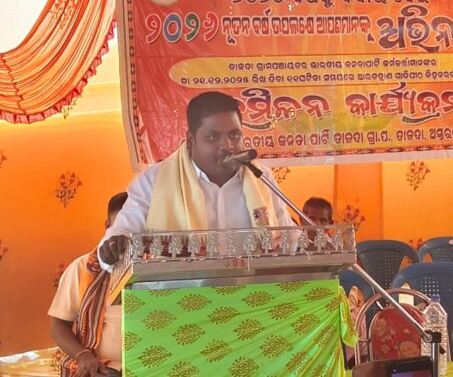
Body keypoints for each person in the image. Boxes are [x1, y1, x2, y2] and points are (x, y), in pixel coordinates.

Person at [98, 92, 295, 269]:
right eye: (213, 137)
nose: (227, 146)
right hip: (177, 295)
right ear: (191, 141)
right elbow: (120, 235)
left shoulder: (261, 177)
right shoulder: (153, 182)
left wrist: (304, 244)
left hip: (254, 292)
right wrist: (114, 247)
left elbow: (289, 239)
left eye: (234, 135)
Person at [49, 192, 128, 376]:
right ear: (108, 227)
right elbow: (59, 326)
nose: (128, 237)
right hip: (102, 369)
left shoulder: (162, 268)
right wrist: (83, 356)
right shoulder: (82, 268)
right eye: (122, 228)